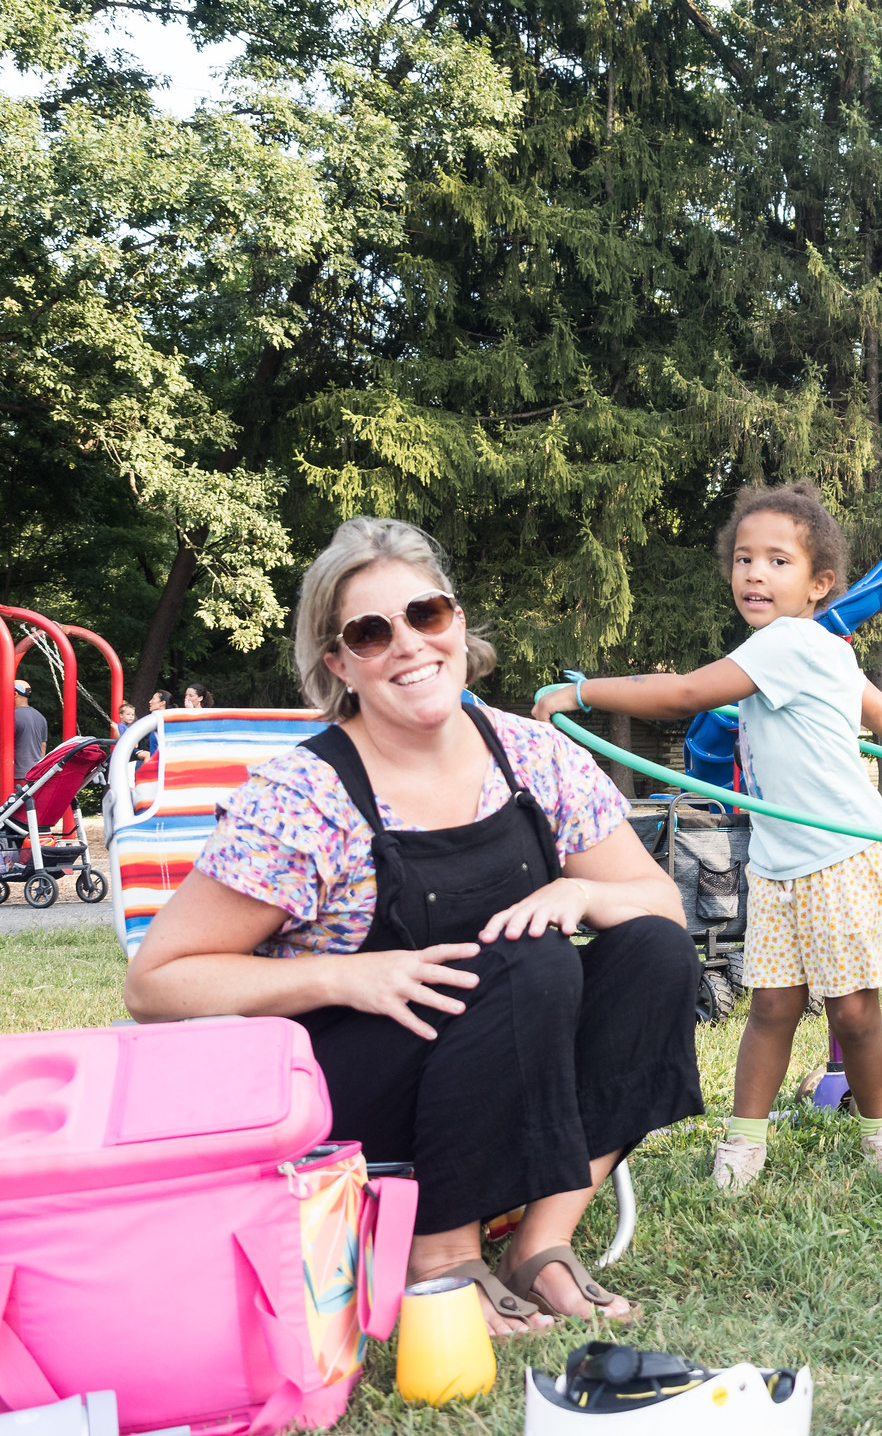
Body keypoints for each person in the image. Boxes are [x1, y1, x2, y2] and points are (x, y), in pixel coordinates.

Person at [127, 517, 702, 1335]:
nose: (408, 645)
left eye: (425, 615)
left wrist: (580, 898)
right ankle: (438, 1254)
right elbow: (156, 982)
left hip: (506, 1071)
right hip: (358, 1081)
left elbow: (659, 904)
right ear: (339, 664)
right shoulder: (304, 800)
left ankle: (540, 1246)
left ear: (458, 622)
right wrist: (340, 976)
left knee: (654, 952)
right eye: (370, 631)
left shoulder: (535, 758)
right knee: (532, 965)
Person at [540, 482, 882, 1193]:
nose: (754, 574)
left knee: (854, 1011)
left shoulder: (792, 644)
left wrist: (581, 694)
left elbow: (682, 694)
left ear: (818, 585)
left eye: (777, 561)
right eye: (744, 559)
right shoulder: (810, 647)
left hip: (839, 857)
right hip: (778, 864)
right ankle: (744, 1143)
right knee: (770, 1005)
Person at [12, 678, 48, 769]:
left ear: (15, 694)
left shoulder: (11, 717)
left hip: (16, 774)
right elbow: (43, 745)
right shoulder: (40, 717)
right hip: (35, 774)